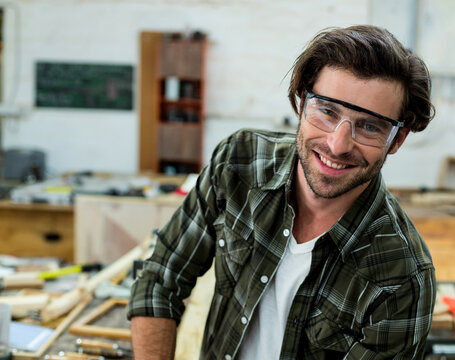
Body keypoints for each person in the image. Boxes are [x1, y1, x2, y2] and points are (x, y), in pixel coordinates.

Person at [128, 24, 436, 360]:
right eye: (328, 111)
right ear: (302, 102)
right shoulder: (239, 163)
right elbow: (161, 278)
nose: (337, 144)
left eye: (370, 126)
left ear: (398, 139)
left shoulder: (401, 277)